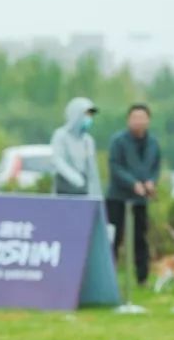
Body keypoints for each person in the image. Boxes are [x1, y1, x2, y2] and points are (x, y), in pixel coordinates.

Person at [105, 103, 162, 286]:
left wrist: (151, 182)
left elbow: (155, 166)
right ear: (128, 120)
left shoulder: (153, 143)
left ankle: (142, 277)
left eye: (142, 118)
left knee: (140, 238)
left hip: (140, 199)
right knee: (114, 238)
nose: (138, 122)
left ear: (148, 120)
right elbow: (115, 166)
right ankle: (108, 276)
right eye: (135, 118)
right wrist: (132, 183)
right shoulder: (118, 141)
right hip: (117, 197)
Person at [50, 97, 102, 196]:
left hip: (83, 192)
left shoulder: (88, 140)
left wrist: (97, 195)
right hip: (64, 190)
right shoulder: (61, 135)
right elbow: (57, 160)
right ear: (76, 115)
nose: (89, 119)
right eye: (87, 115)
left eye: (91, 115)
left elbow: (92, 170)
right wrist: (74, 178)